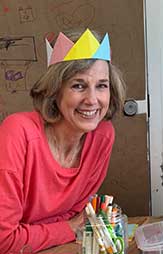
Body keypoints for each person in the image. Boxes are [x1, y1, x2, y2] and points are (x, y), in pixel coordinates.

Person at [0, 28, 126, 253]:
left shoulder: (102, 135)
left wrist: (51, 230)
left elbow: (75, 214)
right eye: (78, 85)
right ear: (55, 91)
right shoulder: (17, 132)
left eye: (101, 86)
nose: (92, 100)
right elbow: (4, 240)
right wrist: (68, 228)